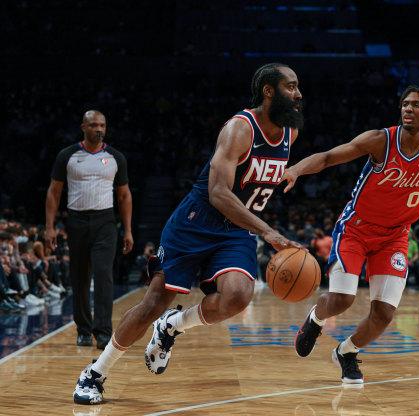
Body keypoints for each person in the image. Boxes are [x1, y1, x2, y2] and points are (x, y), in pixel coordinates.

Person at [73, 63, 303, 405]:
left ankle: (173, 325)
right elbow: (218, 193)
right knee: (153, 303)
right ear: (269, 91)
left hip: (236, 229)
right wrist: (268, 231)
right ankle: (95, 372)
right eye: (290, 86)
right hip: (196, 222)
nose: (298, 94)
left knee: (238, 296)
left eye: (297, 87)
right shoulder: (240, 129)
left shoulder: (290, 134)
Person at [283, 86, 419, 384]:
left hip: (395, 237)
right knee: (342, 299)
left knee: (384, 314)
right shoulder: (381, 140)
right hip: (356, 229)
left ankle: (346, 352)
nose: (408, 109)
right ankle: (315, 319)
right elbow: (328, 157)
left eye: (416, 105)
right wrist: (295, 170)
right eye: (405, 104)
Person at [46, 110, 133, 349]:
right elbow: (54, 192)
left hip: (105, 221)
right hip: (76, 221)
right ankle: (83, 330)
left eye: (102, 125)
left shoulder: (116, 157)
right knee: (80, 276)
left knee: (103, 274)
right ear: (83, 127)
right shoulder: (67, 155)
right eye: (94, 125)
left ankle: (103, 332)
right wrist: (50, 227)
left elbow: (124, 195)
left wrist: (128, 230)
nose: (99, 129)